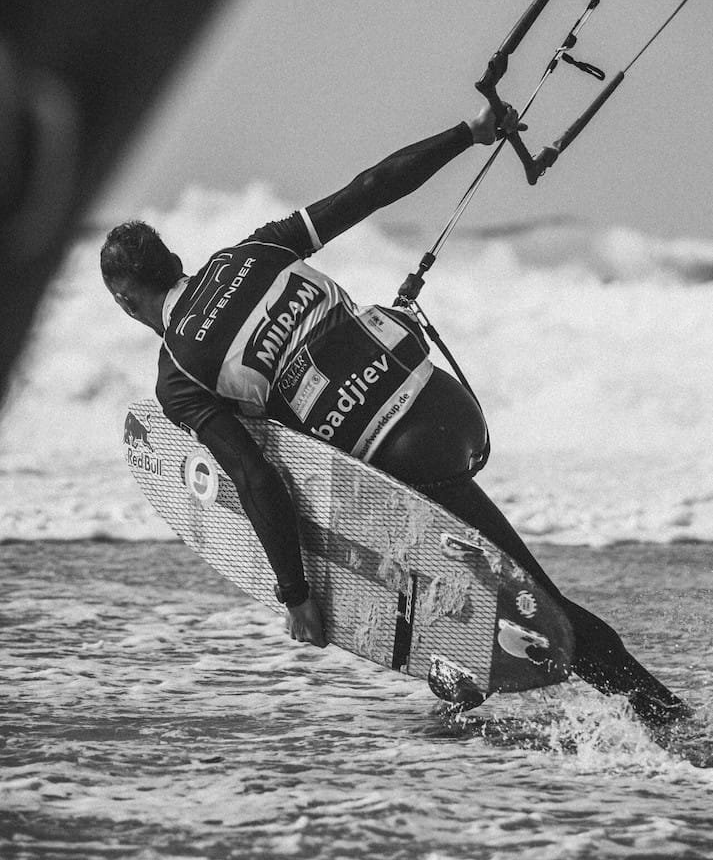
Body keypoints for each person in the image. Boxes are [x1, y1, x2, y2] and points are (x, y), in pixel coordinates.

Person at [101, 104, 690, 726]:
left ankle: (671, 722)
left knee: (544, 609)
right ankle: (468, 696)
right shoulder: (253, 254)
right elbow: (372, 188)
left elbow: (256, 477)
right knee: (470, 602)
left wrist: (295, 594)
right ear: (172, 259)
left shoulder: (179, 375)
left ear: (125, 299)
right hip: (448, 411)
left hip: (397, 465)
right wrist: (468, 133)